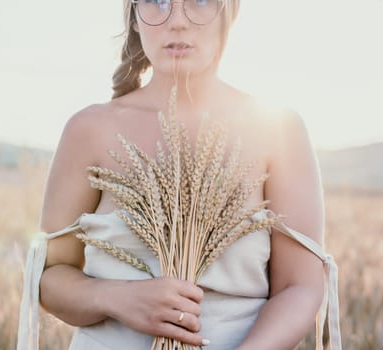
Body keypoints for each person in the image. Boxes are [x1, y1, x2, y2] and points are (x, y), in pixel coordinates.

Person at [17, 0, 341, 349]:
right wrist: (117, 298)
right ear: (134, 17)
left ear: (230, 12)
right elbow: (49, 278)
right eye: (158, 2)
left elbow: (300, 288)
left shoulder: (278, 128)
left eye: (200, 1)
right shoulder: (90, 129)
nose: (178, 22)